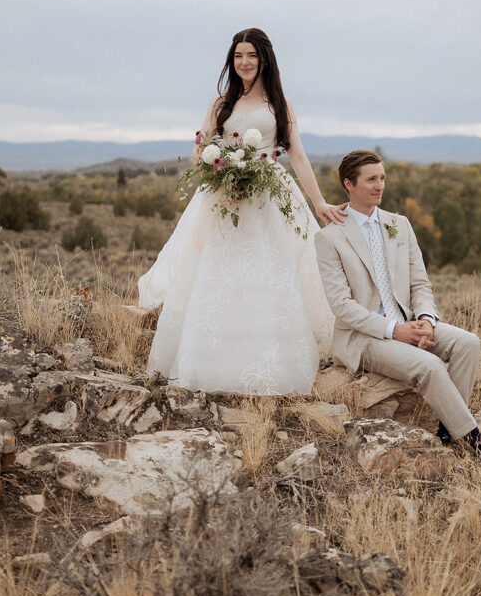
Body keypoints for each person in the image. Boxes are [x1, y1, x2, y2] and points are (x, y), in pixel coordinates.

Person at [138, 28, 345, 395]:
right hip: (224, 198)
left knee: (268, 273)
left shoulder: (281, 105)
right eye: (238, 56)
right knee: (220, 273)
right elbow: (200, 150)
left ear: (264, 59)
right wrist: (220, 171)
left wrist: (318, 202)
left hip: (268, 197)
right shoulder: (221, 104)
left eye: (251, 55)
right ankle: (209, 365)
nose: (245, 62)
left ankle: (272, 367)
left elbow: (296, 155)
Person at [314, 150, 481, 457]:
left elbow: (420, 283)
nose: (380, 185)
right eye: (371, 179)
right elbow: (342, 305)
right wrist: (395, 330)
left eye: (382, 178)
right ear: (349, 184)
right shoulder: (329, 238)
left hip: (411, 320)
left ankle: (446, 429)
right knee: (430, 365)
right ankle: (472, 440)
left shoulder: (399, 224)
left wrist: (426, 319)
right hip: (366, 337)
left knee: (468, 343)